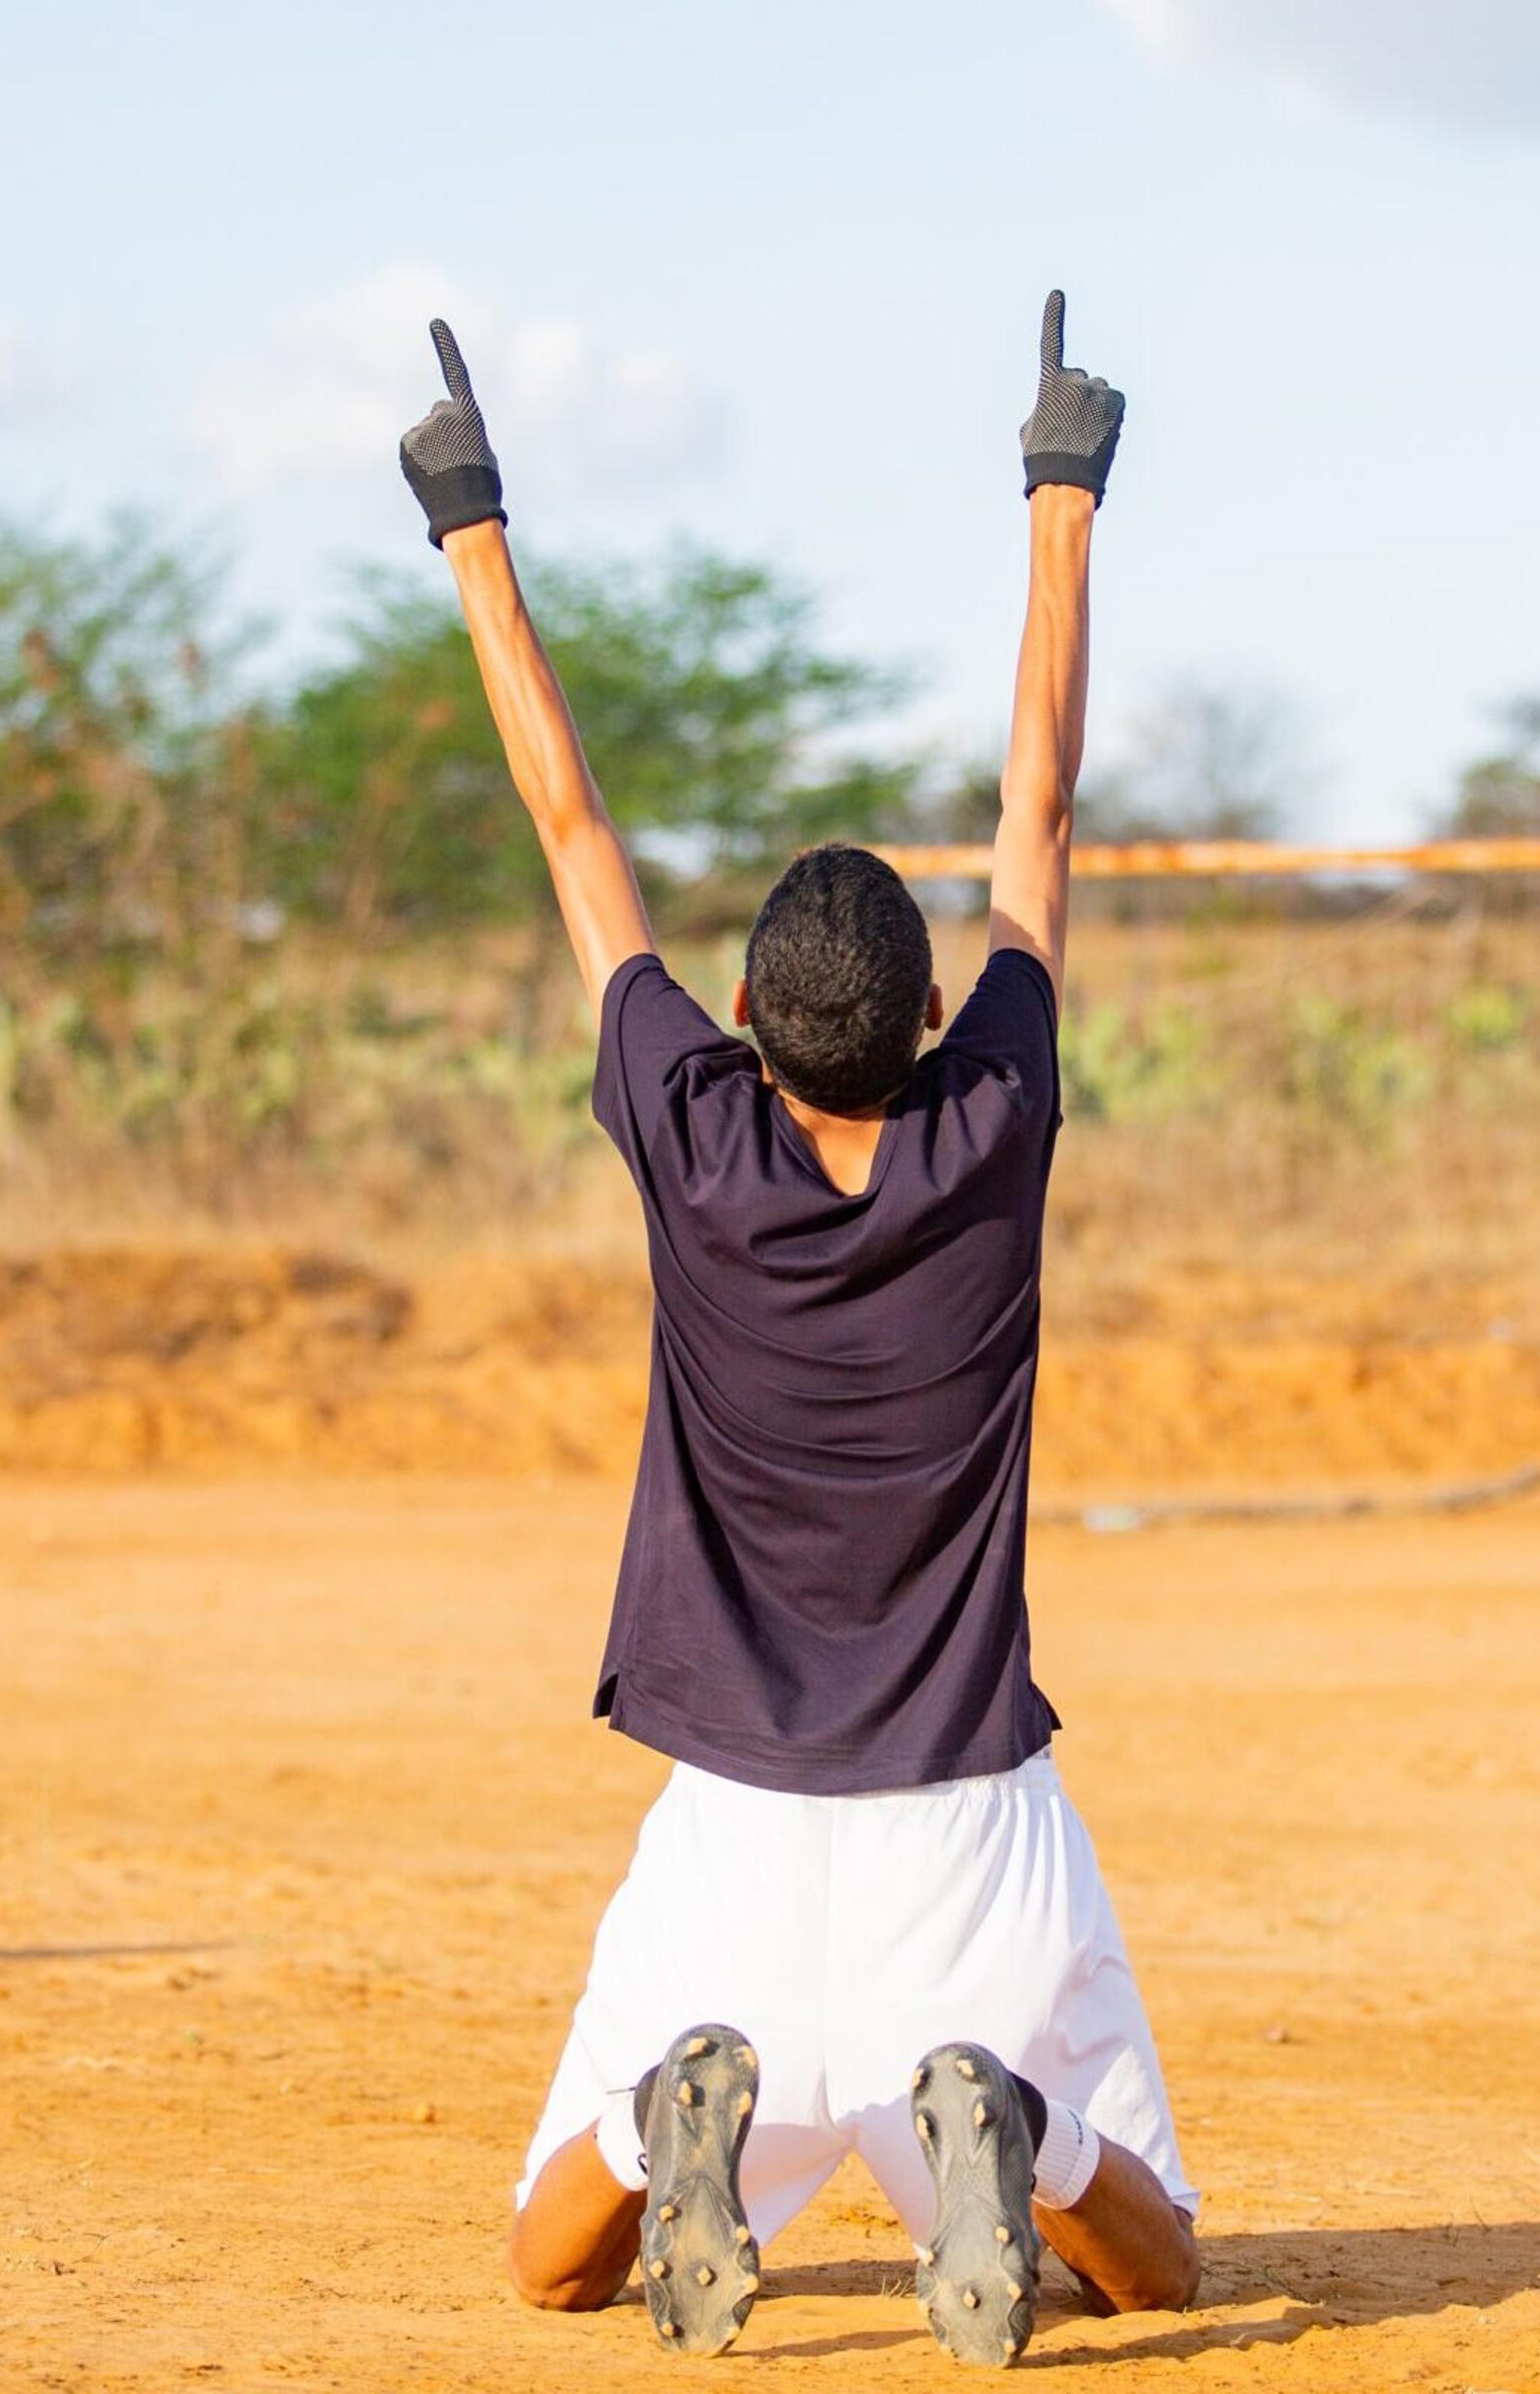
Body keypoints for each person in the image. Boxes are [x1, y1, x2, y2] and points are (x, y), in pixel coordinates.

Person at [400, 290, 1197, 2366]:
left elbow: (572, 829)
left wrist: (471, 517)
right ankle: (1023, 2129)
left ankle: (678, 2107)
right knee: (1165, 2260)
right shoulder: (995, 1126)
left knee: (542, 2265)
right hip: (972, 1820)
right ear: (935, 1028)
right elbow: (1042, 811)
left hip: (732, 1836)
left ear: (743, 1029)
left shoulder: (691, 1138)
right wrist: (1060, 496)